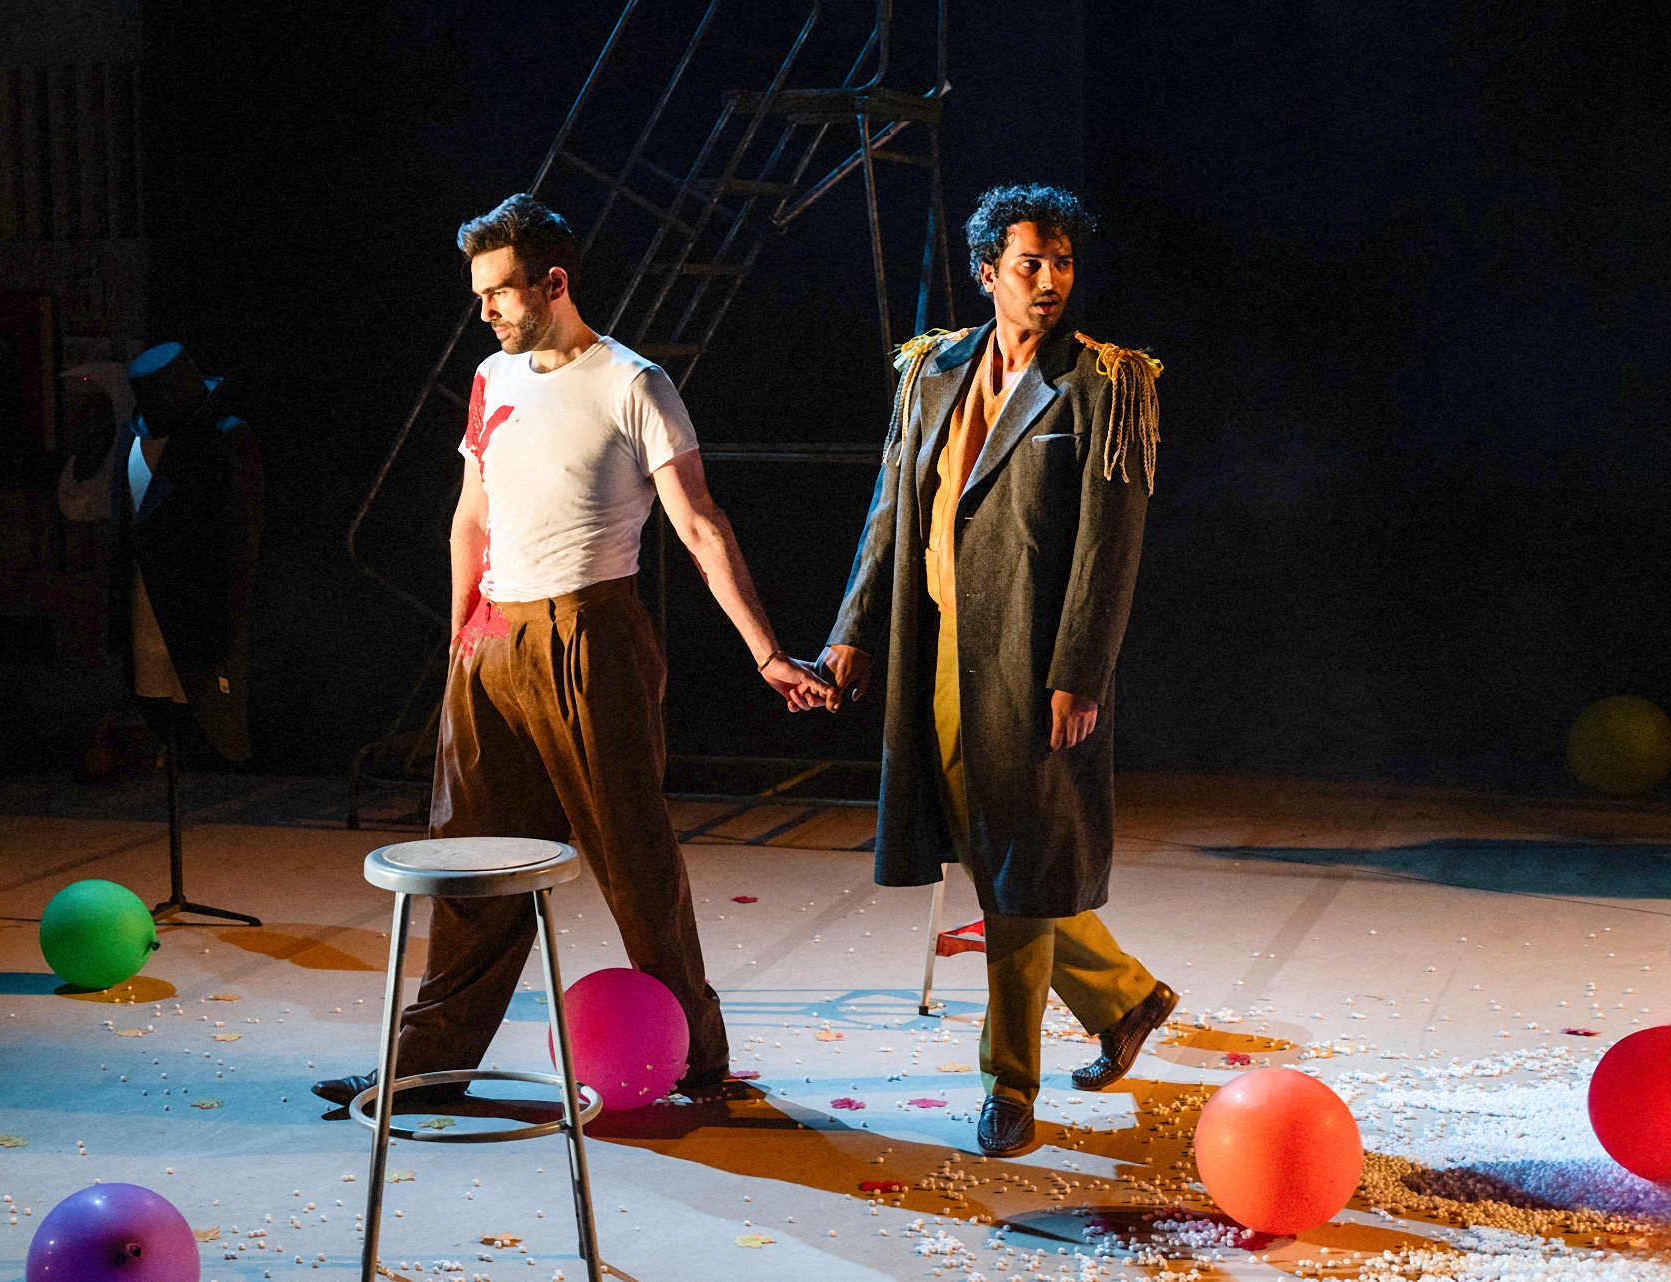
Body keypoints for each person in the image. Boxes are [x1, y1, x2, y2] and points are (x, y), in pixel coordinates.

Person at [314, 194, 830, 1109]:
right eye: (479, 294)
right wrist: (457, 649)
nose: (486, 310)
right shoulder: (490, 378)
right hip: (493, 641)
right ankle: (428, 1066)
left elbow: (702, 526)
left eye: (502, 292)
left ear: (555, 282)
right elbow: (470, 518)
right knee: (469, 863)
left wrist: (766, 653)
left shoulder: (634, 384)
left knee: (635, 859)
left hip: (591, 634)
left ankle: (696, 1059)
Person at [817, 184, 1176, 1157]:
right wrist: (850, 629)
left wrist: (1078, 672)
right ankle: (1124, 996)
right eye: (1030, 263)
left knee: (1015, 859)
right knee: (994, 851)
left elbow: (1111, 546)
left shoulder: (1103, 382)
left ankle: (1008, 1086)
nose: (1050, 280)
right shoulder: (929, 371)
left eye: (1062, 263)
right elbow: (890, 510)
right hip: (936, 649)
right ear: (985, 272)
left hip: (1033, 659)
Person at [110, 342, 261, 763]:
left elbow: (239, 537)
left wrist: (230, 618)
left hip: (199, 613)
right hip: (143, 611)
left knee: (203, 717)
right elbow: (122, 531)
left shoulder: (227, 440)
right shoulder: (131, 439)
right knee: (158, 709)